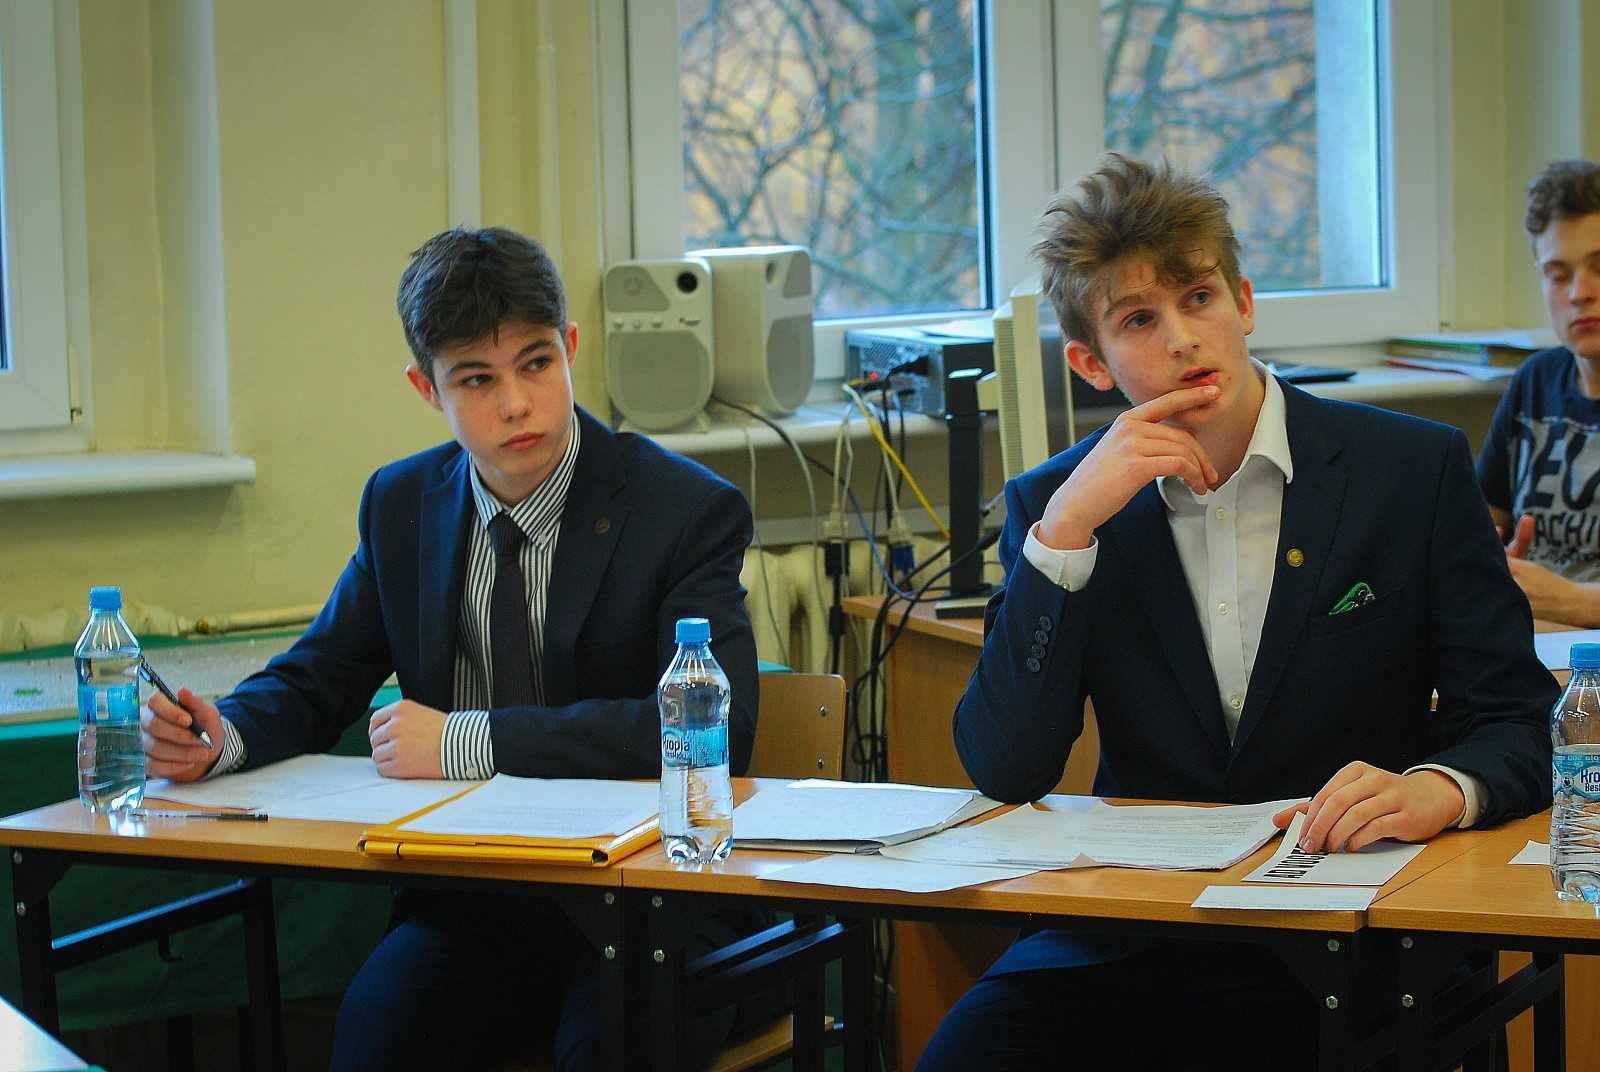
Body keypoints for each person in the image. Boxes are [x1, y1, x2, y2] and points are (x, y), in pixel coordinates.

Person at [915, 154, 1555, 1072]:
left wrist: (1436, 788)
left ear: (1244, 303)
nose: (1183, 339)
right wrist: (1063, 536)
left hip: (1348, 926)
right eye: (1139, 320)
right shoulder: (1058, 505)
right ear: (1091, 362)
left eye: (1199, 297)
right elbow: (1006, 767)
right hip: (1128, 933)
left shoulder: (1411, 470)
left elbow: (1518, 717)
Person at [140, 226, 763, 1072]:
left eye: (536, 364)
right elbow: (320, 676)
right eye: (476, 379)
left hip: (654, 903)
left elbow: (714, 731)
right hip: (477, 903)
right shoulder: (402, 504)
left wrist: (466, 741)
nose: (516, 404)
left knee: (609, 1051)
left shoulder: (683, 509)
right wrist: (224, 736)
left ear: (572, 347)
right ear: (426, 388)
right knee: (375, 1042)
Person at [1477, 159, 1600, 625]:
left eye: (1599, 267)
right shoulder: (1535, 380)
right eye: (1558, 274)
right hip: (1524, 636)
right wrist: (1489, 560)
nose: (1579, 293)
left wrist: (1571, 600)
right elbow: (1482, 523)